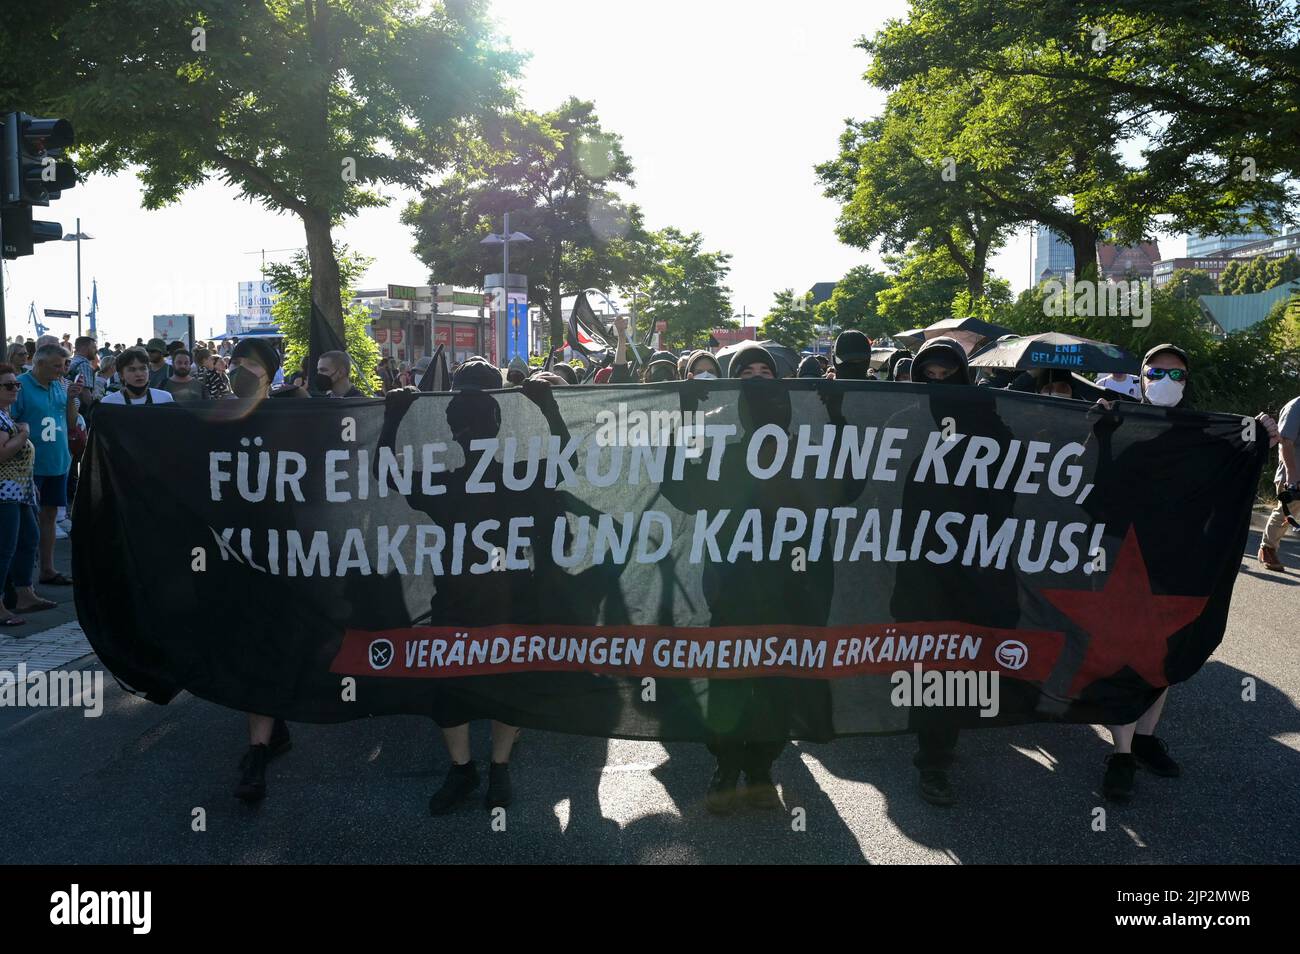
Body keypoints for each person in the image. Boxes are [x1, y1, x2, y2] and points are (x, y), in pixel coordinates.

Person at [1090, 343, 1278, 801]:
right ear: (1141, 376)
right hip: (1122, 565)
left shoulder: (1204, 433)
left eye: (1177, 376)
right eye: (1158, 373)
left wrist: (1262, 439)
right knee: (1124, 654)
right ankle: (1121, 752)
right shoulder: (1119, 421)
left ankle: (1146, 739)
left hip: (1181, 562)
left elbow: (1235, 469)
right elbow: (1091, 487)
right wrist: (1099, 431)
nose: (1167, 382)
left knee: (1165, 655)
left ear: (1187, 382)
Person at [10, 345, 82, 586]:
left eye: (63, 365)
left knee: (50, 515)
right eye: (56, 366)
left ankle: (48, 569)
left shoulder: (61, 385)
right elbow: (11, 421)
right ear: (39, 363)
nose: (61, 371)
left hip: (58, 461)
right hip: (28, 466)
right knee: (25, 523)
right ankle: (21, 580)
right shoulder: (19, 386)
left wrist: (72, 398)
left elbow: (70, 422)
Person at [0, 364, 56, 628]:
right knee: (5, 549)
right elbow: (2, 453)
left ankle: (24, 593)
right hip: (4, 494)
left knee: (28, 539)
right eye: (9, 385)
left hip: (19, 491)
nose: (15, 389)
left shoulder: (6, 415)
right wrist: (23, 433)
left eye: (16, 384)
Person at [1259, 394, 1299, 571]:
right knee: (1286, 513)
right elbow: (1285, 442)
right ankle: (1267, 549)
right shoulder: (1296, 406)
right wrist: (1292, 474)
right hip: (1294, 474)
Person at [100, 348, 176, 405]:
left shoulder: (164, 398)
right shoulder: (109, 403)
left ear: (148, 370)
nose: (139, 374)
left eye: (143, 368)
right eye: (132, 369)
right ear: (121, 375)